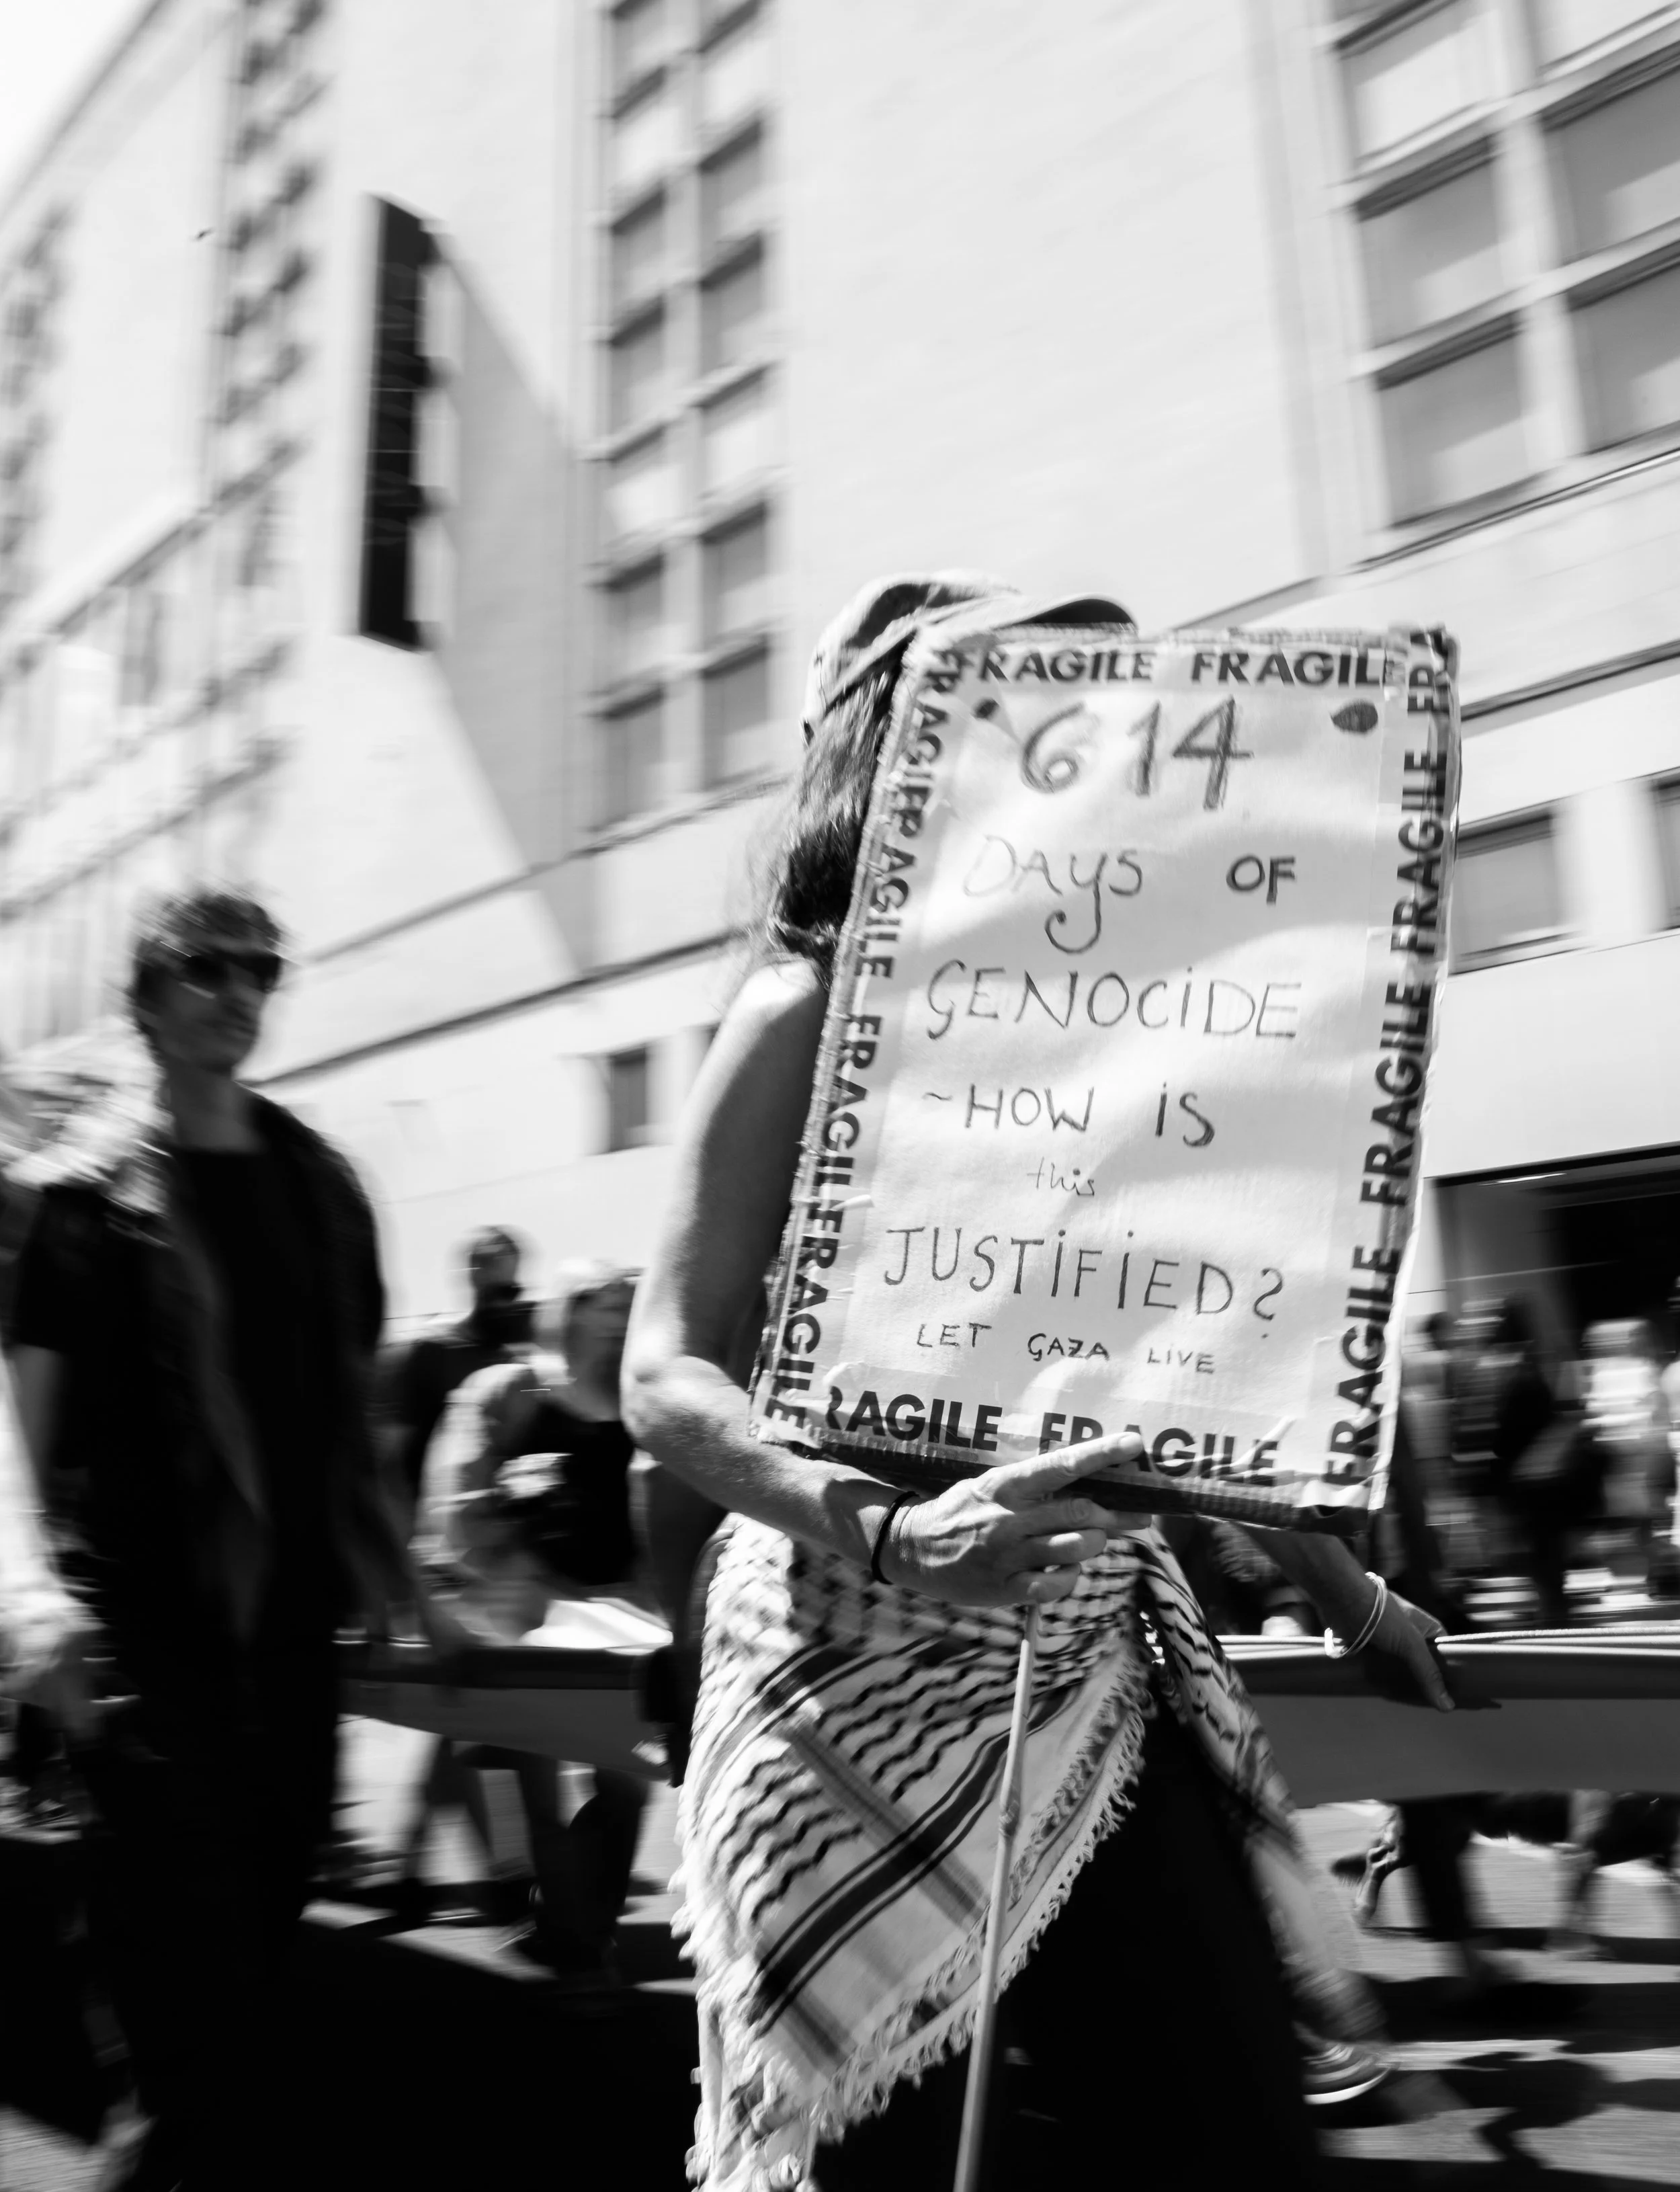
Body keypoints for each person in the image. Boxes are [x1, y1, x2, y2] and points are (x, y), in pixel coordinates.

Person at [620, 573, 1455, 2189]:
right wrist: (886, 1526)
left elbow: (1189, 1370)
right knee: (882, 2155)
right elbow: (665, 1368)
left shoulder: (1140, 1026)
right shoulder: (802, 1002)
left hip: (1086, 1666)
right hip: (845, 1669)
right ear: (893, 743)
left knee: (1222, 2132)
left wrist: (1351, 1595)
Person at [0, 886, 454, 2191]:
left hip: (289, 1645)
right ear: (142, 1001)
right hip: (140, 1637)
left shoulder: (323, 1189)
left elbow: (349, 1420)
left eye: (261, 969)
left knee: (249, 1962)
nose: (238, 992)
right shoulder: (82, 1202)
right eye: (204, 968)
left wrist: (405, 1577)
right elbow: (22, 1432)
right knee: (174, 1993)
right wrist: (30, 1593)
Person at [424, 1263, 648, 1982]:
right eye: (602, 1305)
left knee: (625, 1789)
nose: (617, 1320)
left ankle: (576, 1924)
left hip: (622, 1630)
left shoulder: (646, 1404)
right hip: (524, 1624)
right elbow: (459, 1507)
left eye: (628, 1307)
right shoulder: (510, 1395)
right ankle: (580, 1951)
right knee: (538, 1786)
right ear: (570, 1312)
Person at [378, 1225, 533, 1523]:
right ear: (474, 1277)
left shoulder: (510, 1360)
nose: (508, 1304)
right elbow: (390, 1458)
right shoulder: (427, 1351)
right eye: (500, 1292)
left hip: (491, 1537)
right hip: (428, 1536)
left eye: (514, 1292)